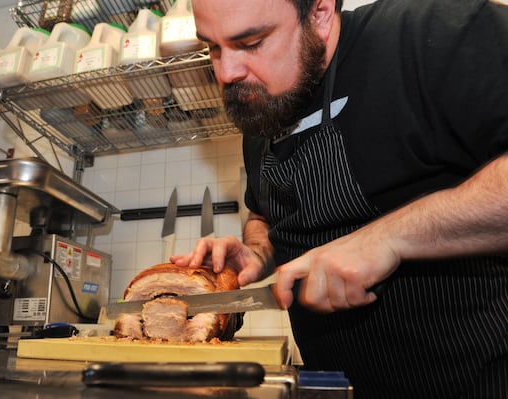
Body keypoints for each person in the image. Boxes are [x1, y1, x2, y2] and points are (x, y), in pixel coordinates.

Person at [171, 0, 508, 397]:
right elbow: (266, 214)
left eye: (252, 42)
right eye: (212, 47)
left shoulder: (436, 35)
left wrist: (388, 238)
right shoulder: (263, 102)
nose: (227, 73)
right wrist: (257, 254)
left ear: (320, 12)